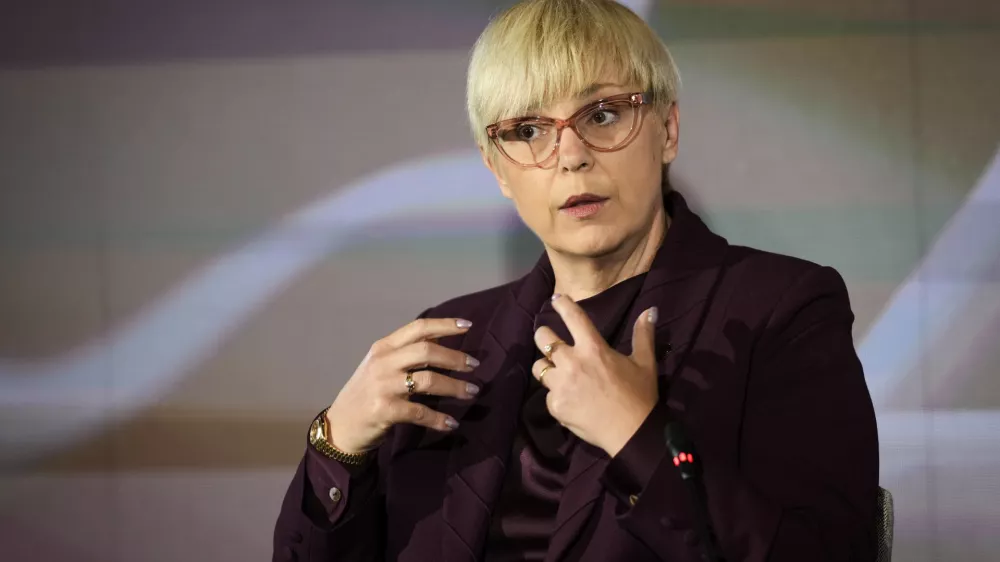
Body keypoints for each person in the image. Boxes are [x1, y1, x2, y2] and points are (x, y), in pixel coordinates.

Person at [272, 1, 879, 560]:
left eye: (604, 114)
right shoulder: (450, 348)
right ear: (498, 169)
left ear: (667, 130)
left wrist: (640, 438)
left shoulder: (780, 309)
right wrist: (337, 446)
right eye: (529, 131)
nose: (570, 155)